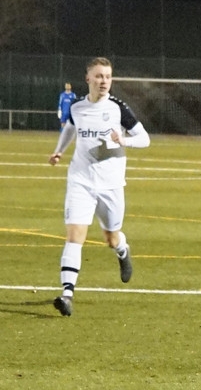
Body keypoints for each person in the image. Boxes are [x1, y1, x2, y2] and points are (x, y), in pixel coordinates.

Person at [48, 57, 150, 317]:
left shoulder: (118, 108)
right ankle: (67, 294)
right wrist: (59, 151)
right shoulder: (77, 107)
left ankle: (122, 250)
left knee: (111, 238)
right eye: (99, 76)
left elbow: (145, 139)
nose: (104, 81)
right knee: (75, 236)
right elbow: (71, 128)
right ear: (88, 79)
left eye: (107, 76)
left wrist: (124, 141)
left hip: (111, 184)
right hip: (80, 180)